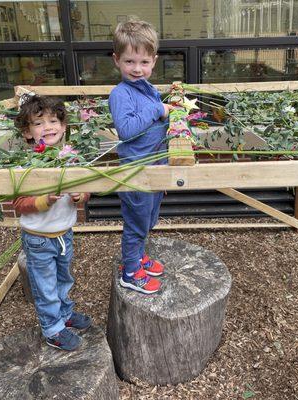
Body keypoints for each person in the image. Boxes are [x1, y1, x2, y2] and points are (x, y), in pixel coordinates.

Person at [13, 95, 91, 351]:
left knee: (63, 278)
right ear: (27, 132)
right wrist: (43, 201)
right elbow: (19, 203)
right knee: (45, 286)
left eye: (53, 120)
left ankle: (65, 314)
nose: (48, 127)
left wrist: (81, 195)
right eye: (38, 123)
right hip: (38, 237)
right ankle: (52, 329)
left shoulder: (71, 157)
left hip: (64, 233)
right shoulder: (25, 165)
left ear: (64, 126)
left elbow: (86, 188)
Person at [108, 20, 173, 294]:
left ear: (154, 61)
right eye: (129, 61)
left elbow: (158, 131)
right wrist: (157, 110)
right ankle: (131, 272)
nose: (137, 69)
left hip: (154, 170)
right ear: (117, 60)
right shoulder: (120, 94)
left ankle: (138, 257)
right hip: (137, 172)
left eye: (144, 62)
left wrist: (166, 166)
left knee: (148, 219)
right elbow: (126, 129)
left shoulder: (147, 88)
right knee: (136, 224)